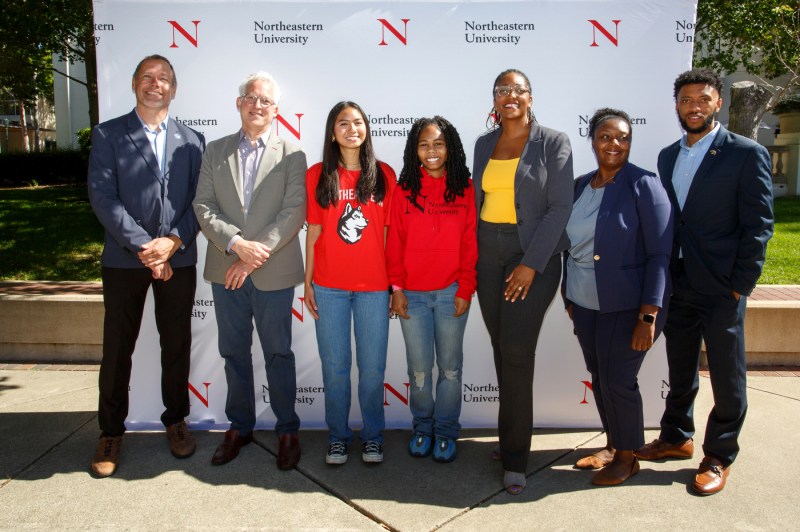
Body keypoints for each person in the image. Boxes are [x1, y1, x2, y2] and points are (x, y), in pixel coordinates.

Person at [635, 69, 774, 495]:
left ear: (718, 104)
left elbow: (759, 224)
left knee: (728, 375)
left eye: (703, 99)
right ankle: (676, 437)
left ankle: (718, 455)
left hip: (722, 285)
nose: (694, 106)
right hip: (678, 283)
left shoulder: (746, 153)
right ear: (676, 105)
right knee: (680, 368)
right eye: (686, 100)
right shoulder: (666, 156)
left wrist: (741, 284)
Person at [87, 54, 205, 478]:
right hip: (124, 260)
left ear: (174, 88)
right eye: (148, 78)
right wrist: (146, 247)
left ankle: (176, 420)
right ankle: (110, 431)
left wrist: (171, 243)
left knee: (176, 344)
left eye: (164, 79)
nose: (156, 84)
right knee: (118, 348)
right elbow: (103, 197)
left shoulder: (193, 141)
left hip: (179, 256)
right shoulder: (108, 134)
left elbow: (200, 203)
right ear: (135, 84)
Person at [193, 71, 306, 471]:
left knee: (278, 352)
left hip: (271, 272)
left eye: (266, 102)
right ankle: (239, 427)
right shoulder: (215, 151)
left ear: (276, 111)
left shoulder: (293, 153)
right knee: (233, 352)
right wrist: (236, 245)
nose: (258, 106)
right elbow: (203, 206)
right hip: (227, 270)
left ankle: (287, 429)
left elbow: (294, 212)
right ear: (239, 103)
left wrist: (254, 255)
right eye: (251, 98)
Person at [472, 69, 574, 494]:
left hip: (533, 254)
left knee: (516, 350)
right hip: (487, 254)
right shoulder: (482, 143)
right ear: (494, 100)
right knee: (502, 347)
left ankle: (516, 457)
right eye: (502, 90)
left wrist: (531, 263)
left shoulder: (553, 142)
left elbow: (559, 206)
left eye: (518, 89)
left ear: (530, 97)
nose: (509, 95)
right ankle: (510, 433)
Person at [564, 108, 673, 486]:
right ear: (592, 139)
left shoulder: (644, 184)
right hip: (585, 303)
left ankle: (628, 458)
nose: (615, 144)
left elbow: (660, 253)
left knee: (619, 381)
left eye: (623, 137)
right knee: (600, 375)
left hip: (629, 307)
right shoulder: (579, 185)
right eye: (606, 136)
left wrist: (648, 315)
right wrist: (569, 298)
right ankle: (613, 445)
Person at [304, 101, 396, 465]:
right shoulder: (316, 175)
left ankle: (373, 436)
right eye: (343, 123)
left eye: (358, 122)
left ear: (367, 129)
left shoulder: (384, 174)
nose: (352, 129)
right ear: (332, 132)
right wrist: (308, 282)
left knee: (373, 369)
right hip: (329, 288)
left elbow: (389, 234)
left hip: (374, 288)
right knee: (336, 368)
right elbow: (313, 231)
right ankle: (338, 436)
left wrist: (392, 284)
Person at [386, 116, 477, 463]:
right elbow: (393, 243)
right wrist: (396, 288)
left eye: (438, 143)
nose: (432, 150)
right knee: (420, 370)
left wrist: (466, 287)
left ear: (450, 146)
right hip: (413, 295)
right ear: (415, 149)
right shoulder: (404, 189)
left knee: (451, 368)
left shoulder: (465, 188)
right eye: (424, 144)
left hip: (452, 290)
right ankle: (422, 427)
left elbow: (470, 243)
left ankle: (446, 431)